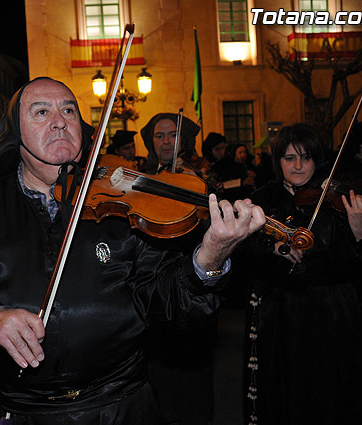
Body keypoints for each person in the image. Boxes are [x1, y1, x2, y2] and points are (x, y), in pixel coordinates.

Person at [0, 77, 266, 425]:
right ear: (14, 134)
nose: (60, 120)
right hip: (24, 411)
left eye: (69, 110)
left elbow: (170, 302)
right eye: (41, 111)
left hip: (122, 406)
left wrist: (210, 257)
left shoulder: (122, 203)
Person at [243, 123, 362, 425]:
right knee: (286, 392)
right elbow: (245, 251)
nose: (298, 166)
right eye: (289, 158)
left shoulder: (336, 201)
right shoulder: (262, 199)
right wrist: (273, 246)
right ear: (278, 161)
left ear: (317, 160)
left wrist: (359, 234)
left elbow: (359, 270)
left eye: (306, 158)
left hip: (331, 312)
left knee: (330, 393)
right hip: (281, 313)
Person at [140, 113, 219, 425]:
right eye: (159, 136)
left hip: (190, 286)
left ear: (183, 140)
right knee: (158, 381)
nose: (165, 142)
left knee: (193, 383)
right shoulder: (144, 178)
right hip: (154, 288)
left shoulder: (201, 181)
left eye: (172, 135)